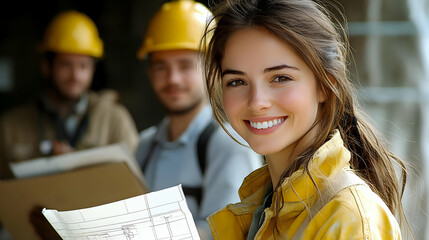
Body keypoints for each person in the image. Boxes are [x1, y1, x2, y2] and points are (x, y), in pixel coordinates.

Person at [202, 0, 411, 239]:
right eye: (237, 82)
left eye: (280, 78)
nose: (257, 101)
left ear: (325, 85)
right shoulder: (263, 210)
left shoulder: (349, 219)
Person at [135, 0, 261, 238]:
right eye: (161, 67)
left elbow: (228, 234)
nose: (173, 79)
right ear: (150, 73)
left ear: (212, 70)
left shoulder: (230, 144)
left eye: (185, 66)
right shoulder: (144, 146)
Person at [0, 10, 139, 179]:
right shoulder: (10, 127)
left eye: (83, 66)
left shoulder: (114, 119)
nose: (75, 76)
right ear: (46, 66)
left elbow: (136, 184)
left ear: (93, 69)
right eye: (66, 65)